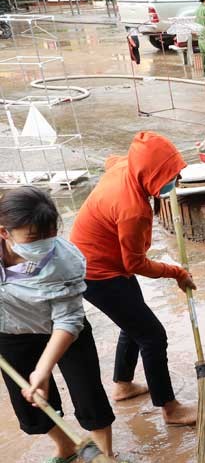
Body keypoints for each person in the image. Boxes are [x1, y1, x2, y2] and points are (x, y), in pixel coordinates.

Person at [68, 132, 197, 426]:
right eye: (169, 176)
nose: (174, 181)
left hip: (103, 261)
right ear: (149, 174)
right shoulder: (133, 210)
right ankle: (170, 409)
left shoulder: (126, 167)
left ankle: (123, 386)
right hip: (97, 273)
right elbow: (135, 262)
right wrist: (176, 272)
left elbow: (110, 160)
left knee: (135, 321)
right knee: (152, 335)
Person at [0, 187, 126, 463]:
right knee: (28, 403)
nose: (44, 244)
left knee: (88, 391)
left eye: (50, 234)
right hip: (11, 330)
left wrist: (42, 371)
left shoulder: (65, 260)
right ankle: (65, 446)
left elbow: (68, 320)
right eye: (32, 238)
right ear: (4, 232)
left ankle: (106, 457)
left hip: (64, 330)